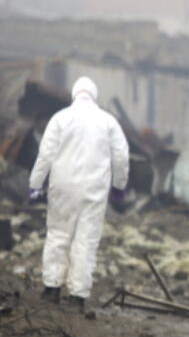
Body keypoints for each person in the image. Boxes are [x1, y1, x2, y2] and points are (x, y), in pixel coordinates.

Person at [28, 77, 129, 312]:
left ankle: (51, 289)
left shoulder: (60, 118)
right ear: (94, 95)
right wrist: (119, 186)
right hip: (94, 191)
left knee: (58, 235)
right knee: (86, 240)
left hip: (62, 188)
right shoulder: (108, 121)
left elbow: (45, 155)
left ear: (75, 94)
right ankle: (77, 296)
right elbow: (121, 156)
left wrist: (35, 185)